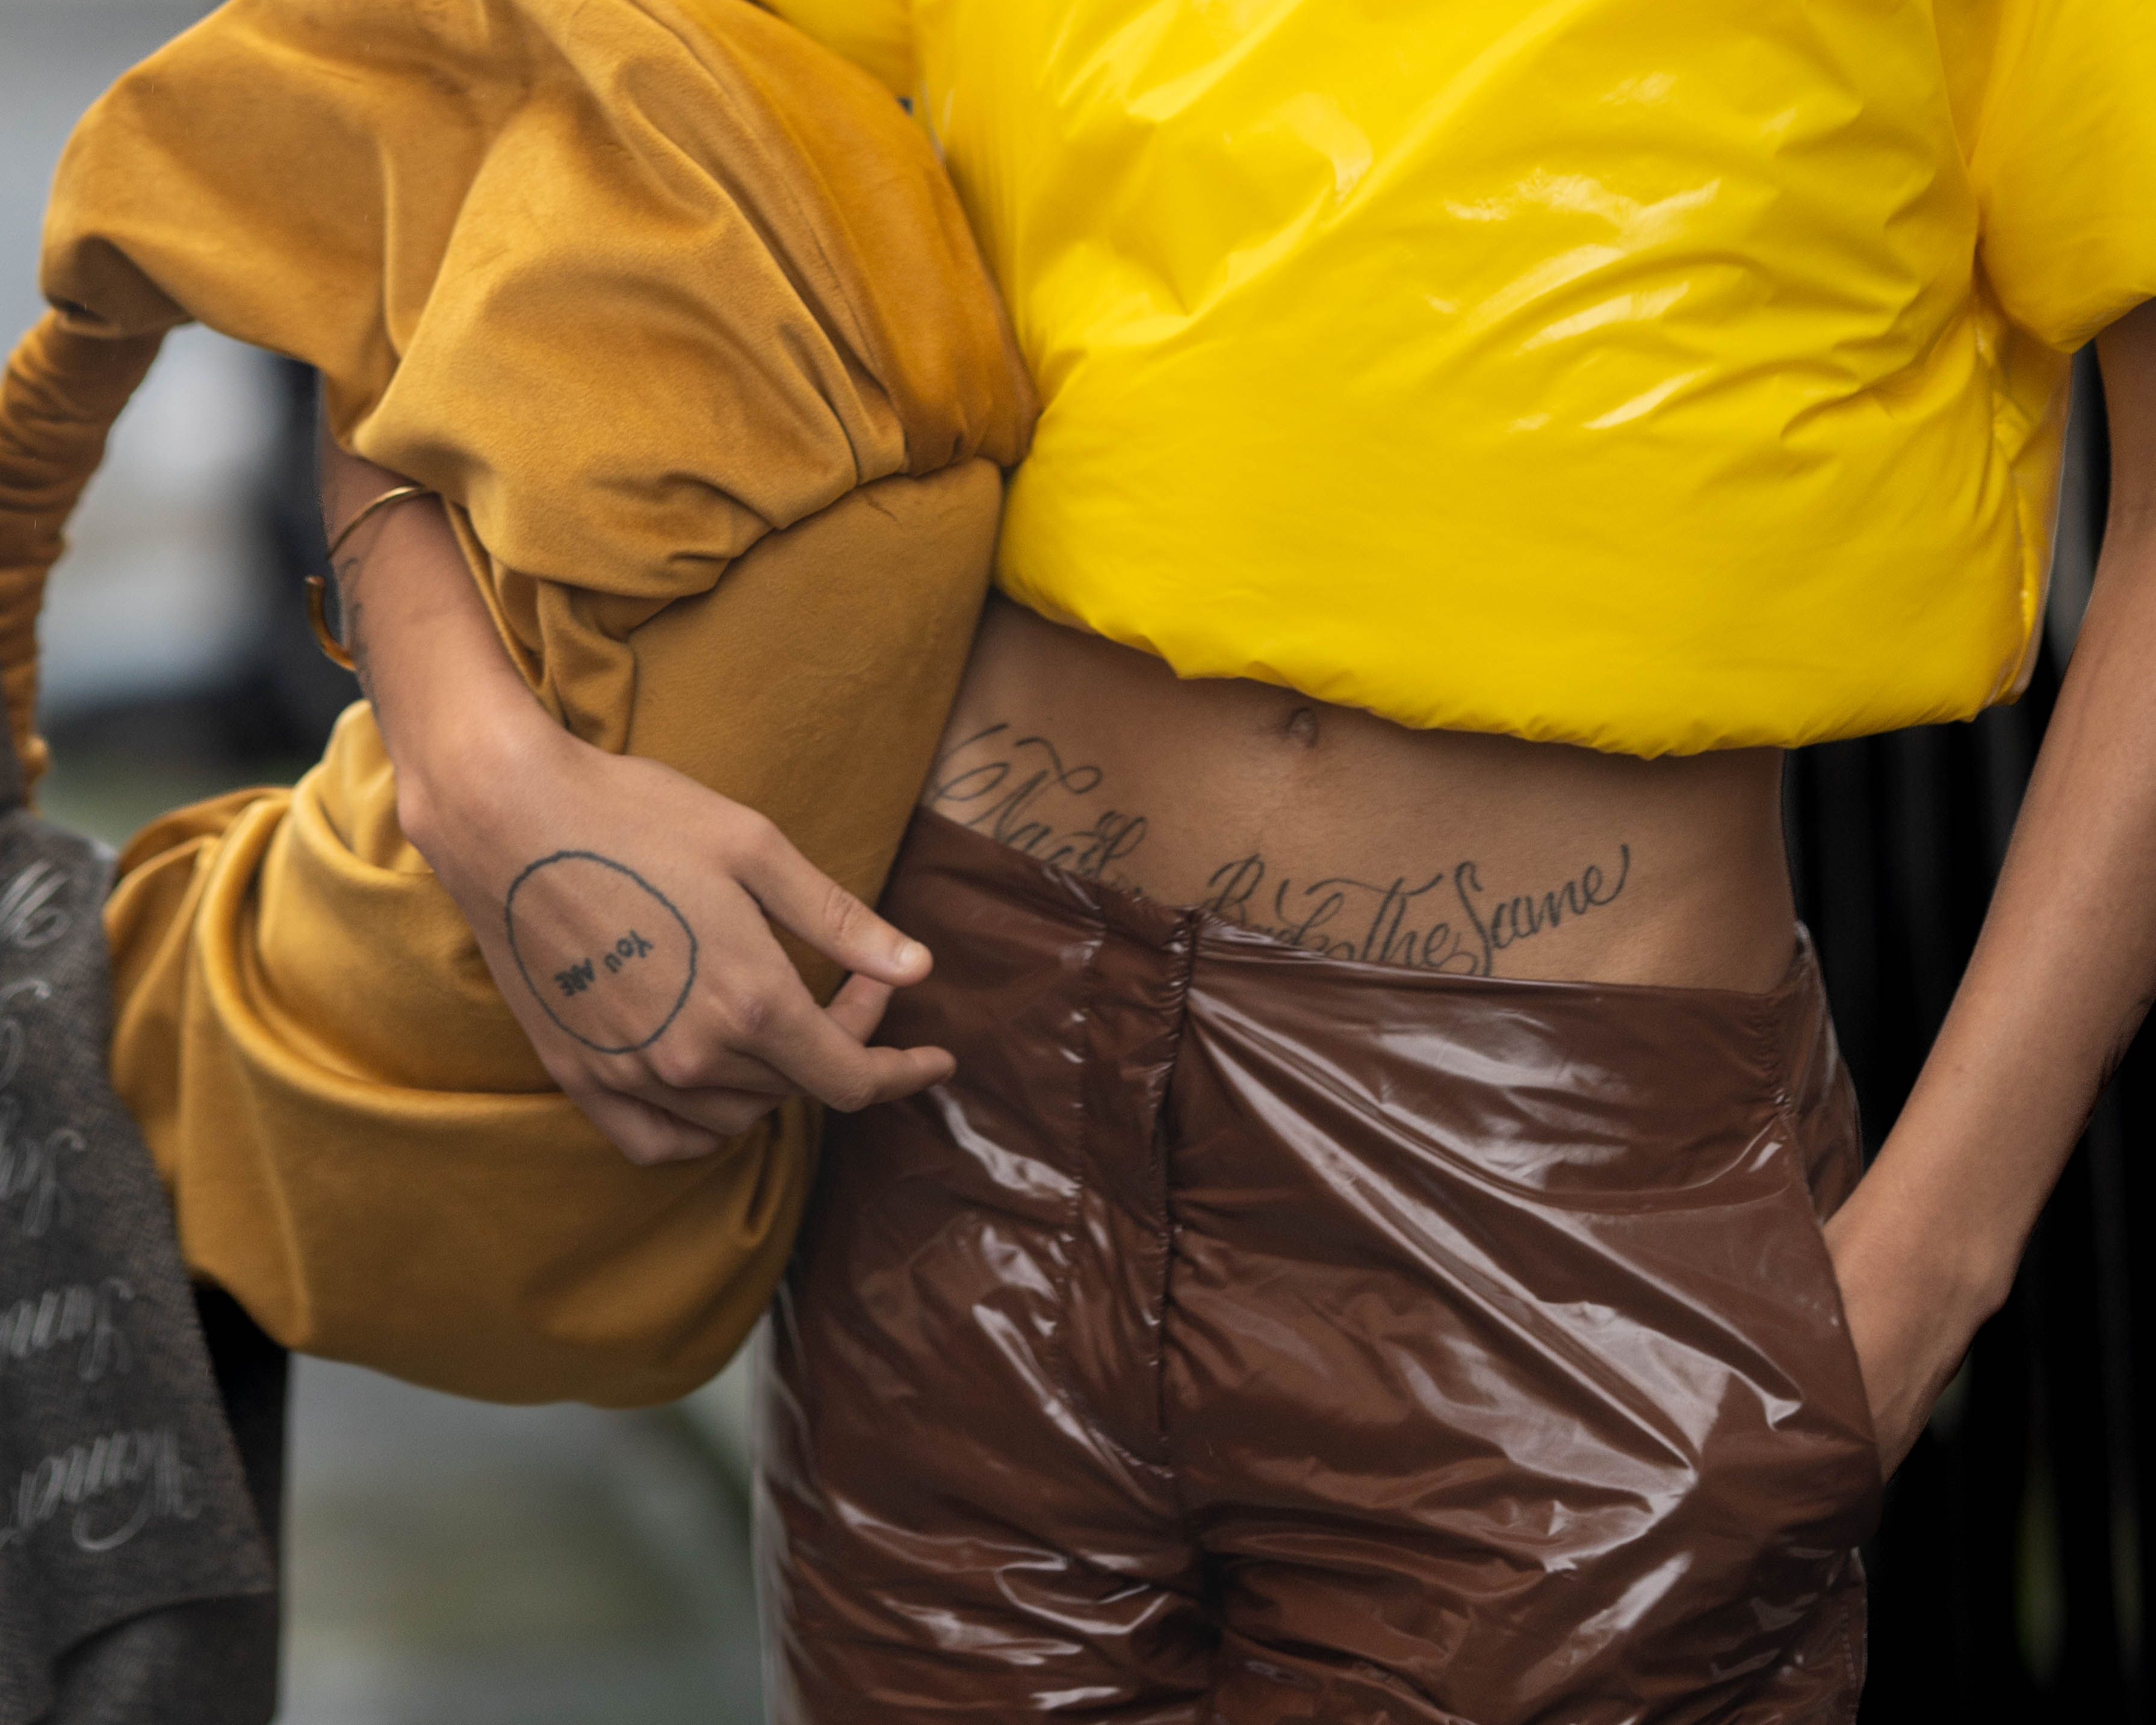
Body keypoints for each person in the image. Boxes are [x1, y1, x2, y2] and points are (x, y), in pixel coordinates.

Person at [318, 1, 2156, 1718]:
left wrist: (1923, 1282)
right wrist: (479, 769)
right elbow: (435, 126)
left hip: (1560, 1209)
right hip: (955, 1108)